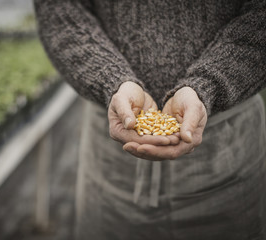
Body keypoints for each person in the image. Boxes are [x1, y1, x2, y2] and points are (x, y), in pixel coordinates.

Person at [34, 0, 266, 239]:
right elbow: (59, 10)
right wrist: (112, 79)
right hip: (112, 145)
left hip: (227, 149)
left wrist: (208, 86)